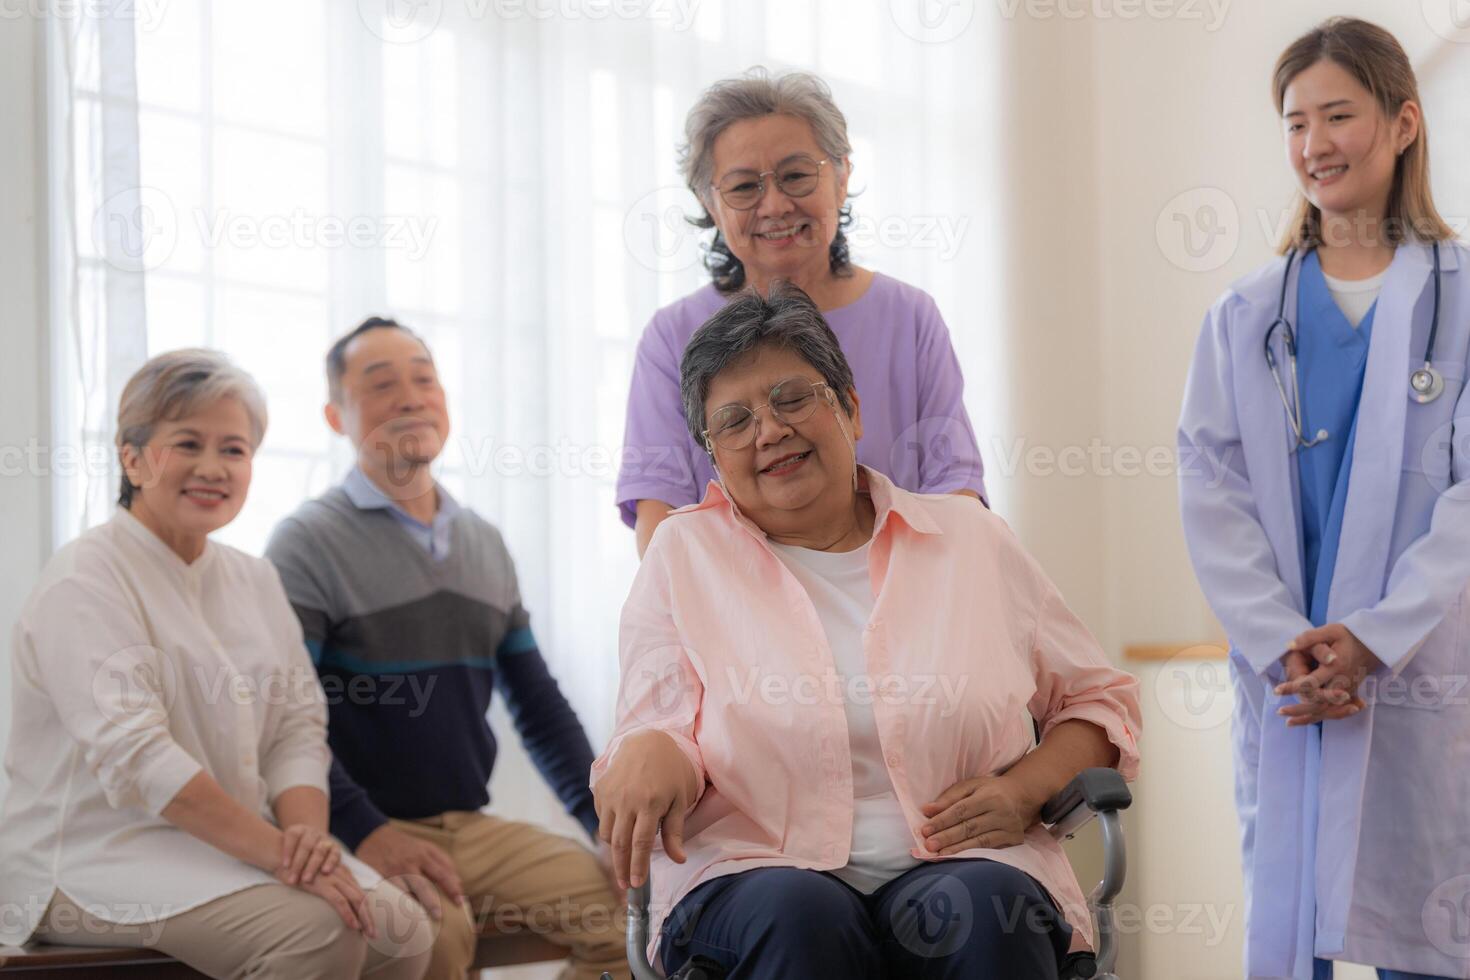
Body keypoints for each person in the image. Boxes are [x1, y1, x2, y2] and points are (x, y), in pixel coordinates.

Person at [593, 284, 1141, 978]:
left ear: (850, 410)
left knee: (982, 908)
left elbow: (1099, 701)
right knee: (800, 916)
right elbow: (660, 721)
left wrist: (1023, 789)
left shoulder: (970, 541)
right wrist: (645, 755)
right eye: (734, 420)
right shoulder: (683, 556)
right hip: (753, 872)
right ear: (712, 455)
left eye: (793, 398)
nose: (769, 431)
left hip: (959, 865)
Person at [1178, 18, 1470, 980]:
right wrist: (1282, 643)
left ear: (1403, 123)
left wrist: (1376, 638)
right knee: (1292, 921)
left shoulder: (1463, 302)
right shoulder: (1246, 315)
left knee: (1428, 927)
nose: (1314, 144)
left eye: (1338, 114)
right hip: (1292, 678)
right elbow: (1211, 492)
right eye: (1295, 122)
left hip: (1426, 669)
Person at [0, 349, 431, 979]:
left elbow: (296, 729)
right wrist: (284, 857)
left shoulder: (253, 579)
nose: (212, 467)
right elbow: (140, 756)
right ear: (133, 457)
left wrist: (308, 841)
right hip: (88, 859)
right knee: (321, 932)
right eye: (187, 443)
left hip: (231, 847)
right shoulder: (85, 578)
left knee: (403, 930)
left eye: (233, 449)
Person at [265, 317, 626, 980]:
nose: (409, 397)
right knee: (436, 938)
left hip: (470, 826)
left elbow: (540, 708)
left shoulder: (483, 543)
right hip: (357, 826)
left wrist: (604, 825)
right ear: (334, 415)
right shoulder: (306, 544)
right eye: (381, 384)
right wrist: (367, 831)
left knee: (627, 916)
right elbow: (283, 722)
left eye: (424, 380)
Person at [617, 68, 988, 557]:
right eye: (745, 187)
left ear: (841, 177)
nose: (775, 205)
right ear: (710, 202)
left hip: (901, 602)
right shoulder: (672, 336)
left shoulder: (910, 317)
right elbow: (661, 522)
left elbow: (955, 495)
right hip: (739, 615)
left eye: (795, 175)